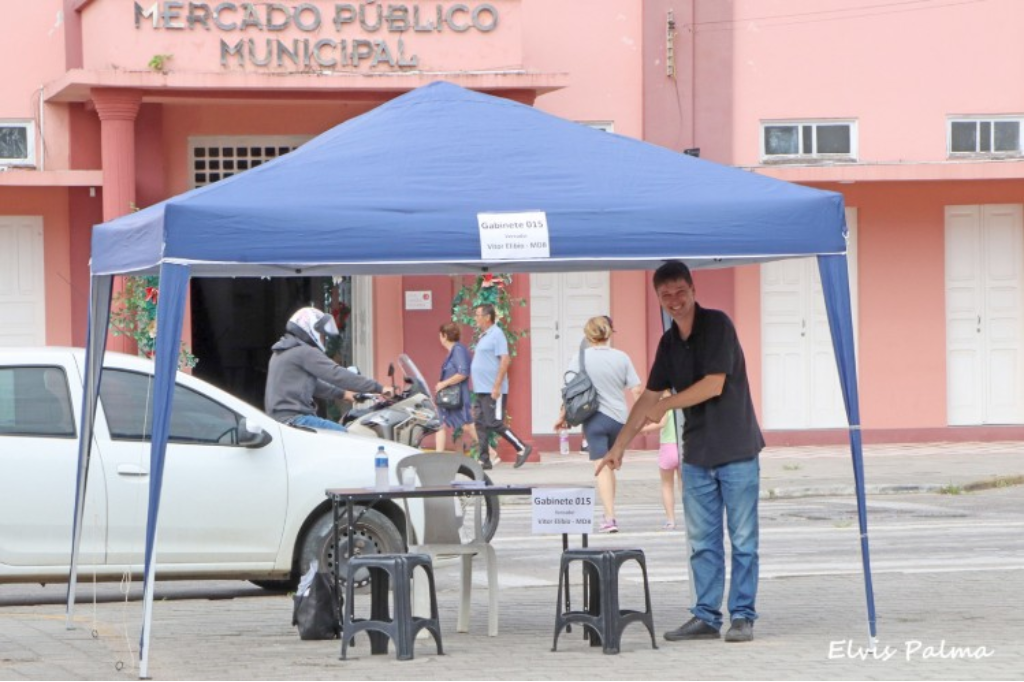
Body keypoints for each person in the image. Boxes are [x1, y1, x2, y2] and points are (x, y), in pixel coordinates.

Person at [597, 260, 764, 644]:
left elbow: (714, 385)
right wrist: (618, 447)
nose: (674, 300)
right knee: (702, 542)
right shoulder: (668, 343)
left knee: (743, 540)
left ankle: (742, 616)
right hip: (698, 455)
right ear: (658, 297)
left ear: (692, 289)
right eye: (665, 295)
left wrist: (669, 404)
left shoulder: (718, 325)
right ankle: (705, 615)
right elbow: (647, 400)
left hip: (737, 449)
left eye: (679, 291)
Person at [554, 315, 641, 533]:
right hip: (620, 419)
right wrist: (642, 417)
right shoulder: (622, 358)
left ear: (588, 335)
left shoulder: (580, 358)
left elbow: (570, 392)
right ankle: (609, 512)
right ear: (609, 333)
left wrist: (562, 416)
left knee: (601, 467)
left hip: (594, 418)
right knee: (610, 466)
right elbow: (637, 390)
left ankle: (610, 517)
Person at [265, 307, 391, 431]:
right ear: (308, 328)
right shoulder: (304, 352)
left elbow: (313, 385)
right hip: (296, 420)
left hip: (281, 420)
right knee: (349, 438)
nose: (323, 339)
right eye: (321, 335)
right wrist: (380, 388)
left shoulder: (282, 351)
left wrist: (343, 394)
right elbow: (336, 374)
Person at [469, 303, 533, 470]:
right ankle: (484, 460)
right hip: (481, 389)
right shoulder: (484, 335)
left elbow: (505, 360)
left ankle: (521, 447)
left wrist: (496, 386)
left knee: (494, 422)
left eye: (477, 315)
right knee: (480, 423)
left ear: (487, 317)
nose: (475, 318)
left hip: (493, 389)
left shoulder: (497, 334)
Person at [434, 321, 479, 453]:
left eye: (440, 335)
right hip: (450, 395)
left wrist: (443, 383)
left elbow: (463, 373)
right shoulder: (454, 351)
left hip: (456, 395)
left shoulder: (458, 350)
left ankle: (490, 452)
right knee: (440, 423)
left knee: (467, 425)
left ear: (444, 336)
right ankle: (438, 455)